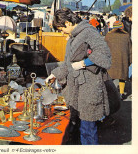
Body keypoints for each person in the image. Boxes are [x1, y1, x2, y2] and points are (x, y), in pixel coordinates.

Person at [46, 8, 111, 145]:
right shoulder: (74, 38)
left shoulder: (89, 32)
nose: (61, 32)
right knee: (80, 130)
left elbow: (104, 56)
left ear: (68, 23)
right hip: (78, 91)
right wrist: (54, 74)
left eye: (60, 29)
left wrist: (83, 63)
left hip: (89, 90)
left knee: (88, 131)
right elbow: (68, 64)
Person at [105, 21, 132, 100]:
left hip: (111, 59)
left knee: (109, 77)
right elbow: (130, 49)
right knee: (122, 76)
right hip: (122, 59)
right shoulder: (126, 36)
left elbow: (105, 48)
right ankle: (121, 93)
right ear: (122, 27)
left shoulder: (108, 35)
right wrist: (129, 61)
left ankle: (110, 94)